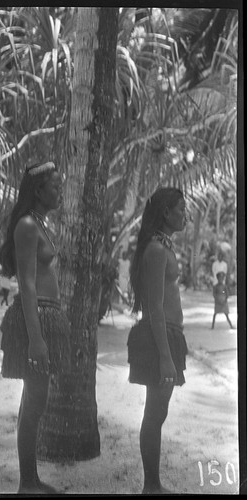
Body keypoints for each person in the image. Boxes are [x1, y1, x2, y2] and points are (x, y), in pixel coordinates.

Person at [0, 160, 71, 494]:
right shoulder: (28, 225)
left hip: (45, 314)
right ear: (39, 190)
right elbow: (27, 284)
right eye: (55, 185)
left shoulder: (40, 223)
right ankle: (27, 482)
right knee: (35, 400)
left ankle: (31, 480)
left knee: (34, 399)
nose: (60, 190)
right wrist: (36, 339)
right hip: (35, 318)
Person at [127, 187, 188, 495]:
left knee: (159, 411)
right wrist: (165, 356)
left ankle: (153, 483)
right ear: (166, 213)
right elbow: (153, 307)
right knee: (154, 412)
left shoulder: (163, 246)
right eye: (180, 209)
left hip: (168, 335)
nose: (185, 215)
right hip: (157, 337)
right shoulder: (156, 249)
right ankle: (151, 485)